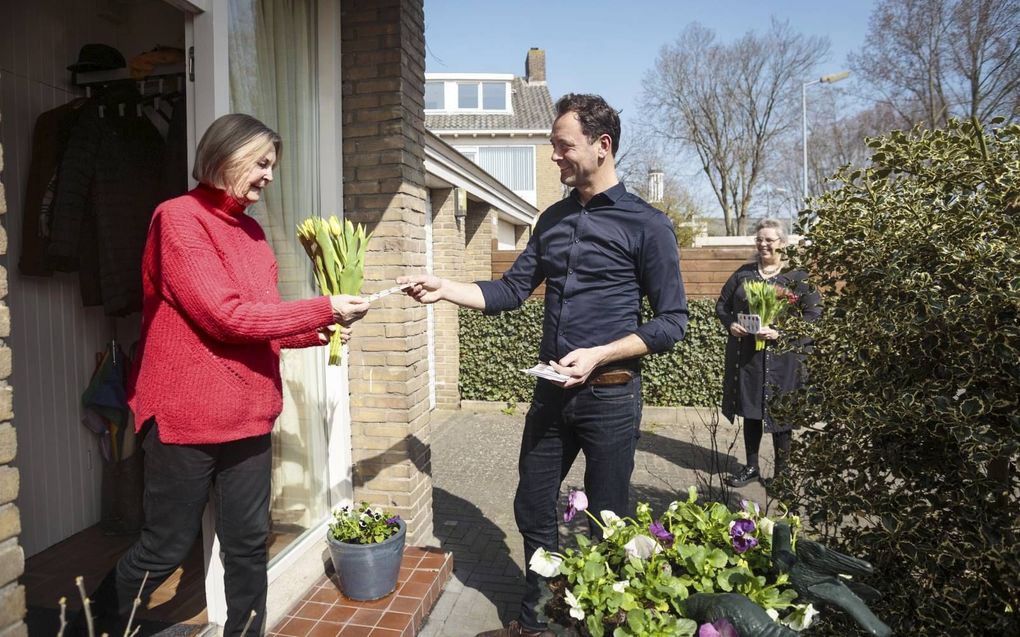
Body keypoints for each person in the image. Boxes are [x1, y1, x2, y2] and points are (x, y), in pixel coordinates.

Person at [400, 94, 688, 637]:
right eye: (553, 147)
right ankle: (539, 621)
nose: (554, 156)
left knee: (608, 519)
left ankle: (594, 624)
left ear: (602, 147)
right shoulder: (552, 218)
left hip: (611, 394)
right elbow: (511, 290)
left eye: (563, 146)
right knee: (533, 505)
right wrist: (446, 289)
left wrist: (601, 353)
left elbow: (673, 321)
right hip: (551, 393)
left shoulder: (648, 226)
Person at [77, 113, 370, 636]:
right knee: (164, 548)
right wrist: (322, 309)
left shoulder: (252, 233)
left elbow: (260, 321)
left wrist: (322, 330)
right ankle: (86, 625)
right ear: (225, 156)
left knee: (247, 545)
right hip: (185, 419)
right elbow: (224, 315)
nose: (269, 176)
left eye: (272, 166)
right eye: (260, 163)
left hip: (249, 416)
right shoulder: (178, 219)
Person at [715, 218, 821, 488]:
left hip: (784, 360)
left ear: (782, 244)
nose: (763, 244)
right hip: (749, 357)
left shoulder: (797, 278)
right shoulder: (744, 274)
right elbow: (722, 306)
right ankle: (751, 467)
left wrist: (781, 333)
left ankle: (782, 474)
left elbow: (814, 315)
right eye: (759, 239)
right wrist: (732, 325)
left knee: (781, 414)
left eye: (769, 240)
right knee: (751, 411)